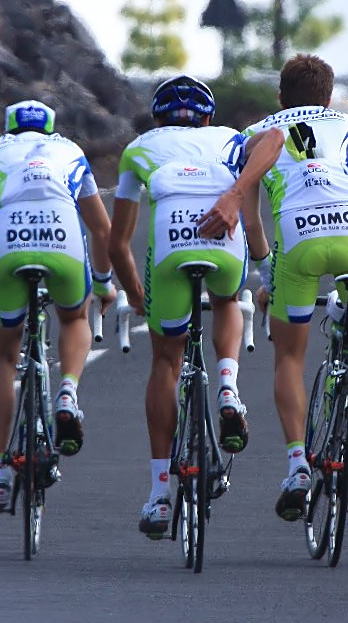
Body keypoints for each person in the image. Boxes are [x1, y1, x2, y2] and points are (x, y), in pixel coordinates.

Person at [198, 54, 348, 522]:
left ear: (280, 96)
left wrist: (268, 272)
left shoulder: (260, 133)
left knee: (290, 356)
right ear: (328, 97)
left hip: (297, 233)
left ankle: (297, 466)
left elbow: (250, 219)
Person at [108, 75, 283, 537]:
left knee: (166, 359)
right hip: (223, 244)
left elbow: (117, 243)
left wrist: (135, 296)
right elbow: (277, 138)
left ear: (157, 119)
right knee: (227, 297)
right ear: (207, 118)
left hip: (169, 251)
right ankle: (227, 385)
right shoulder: (229, 138)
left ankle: (160, 494)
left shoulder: (139, 149)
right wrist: (236, 192)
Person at [0, 99, 116, 512]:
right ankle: (67, 392)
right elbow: (101, 229)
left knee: (3, 356)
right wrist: (102, 282)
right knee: (74, 315)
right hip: (63, 241)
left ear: (8, 130)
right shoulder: (70, 151)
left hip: (9, 246)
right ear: (51, 131)